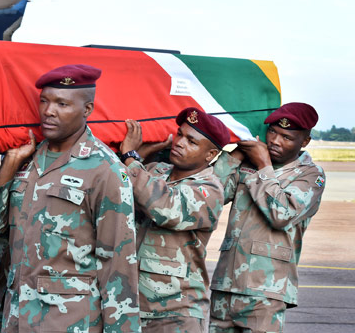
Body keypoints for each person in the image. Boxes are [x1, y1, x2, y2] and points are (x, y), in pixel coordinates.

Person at [0, 64, 141, 332]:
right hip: (15, 317)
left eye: (62, 104)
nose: (49, 111)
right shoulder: (25, 158)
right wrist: (9, 166)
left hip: (69, 322)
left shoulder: (105, 170)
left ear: (87, 110)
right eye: (44, 101)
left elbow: (119, 266)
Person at [209, 102, 326, 333]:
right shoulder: (247, 163)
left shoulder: (310, 175)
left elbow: (281, 214)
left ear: (304, 142)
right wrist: (235, 156)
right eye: (272, 131)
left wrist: (263, 166)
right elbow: (211, 195)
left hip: (266, 289)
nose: (275, 141)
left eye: (286, 137)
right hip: (226, 284)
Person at [119, 108, 230, 333]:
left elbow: (163, 207)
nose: (179, 142)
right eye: (179, 134)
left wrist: (131, 157)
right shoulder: (155, 171)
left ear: (210, 155)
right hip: (131, 306)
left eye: (191, 141)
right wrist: (139, 155)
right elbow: (117, 185)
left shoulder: (209, 189)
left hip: (176, 312)